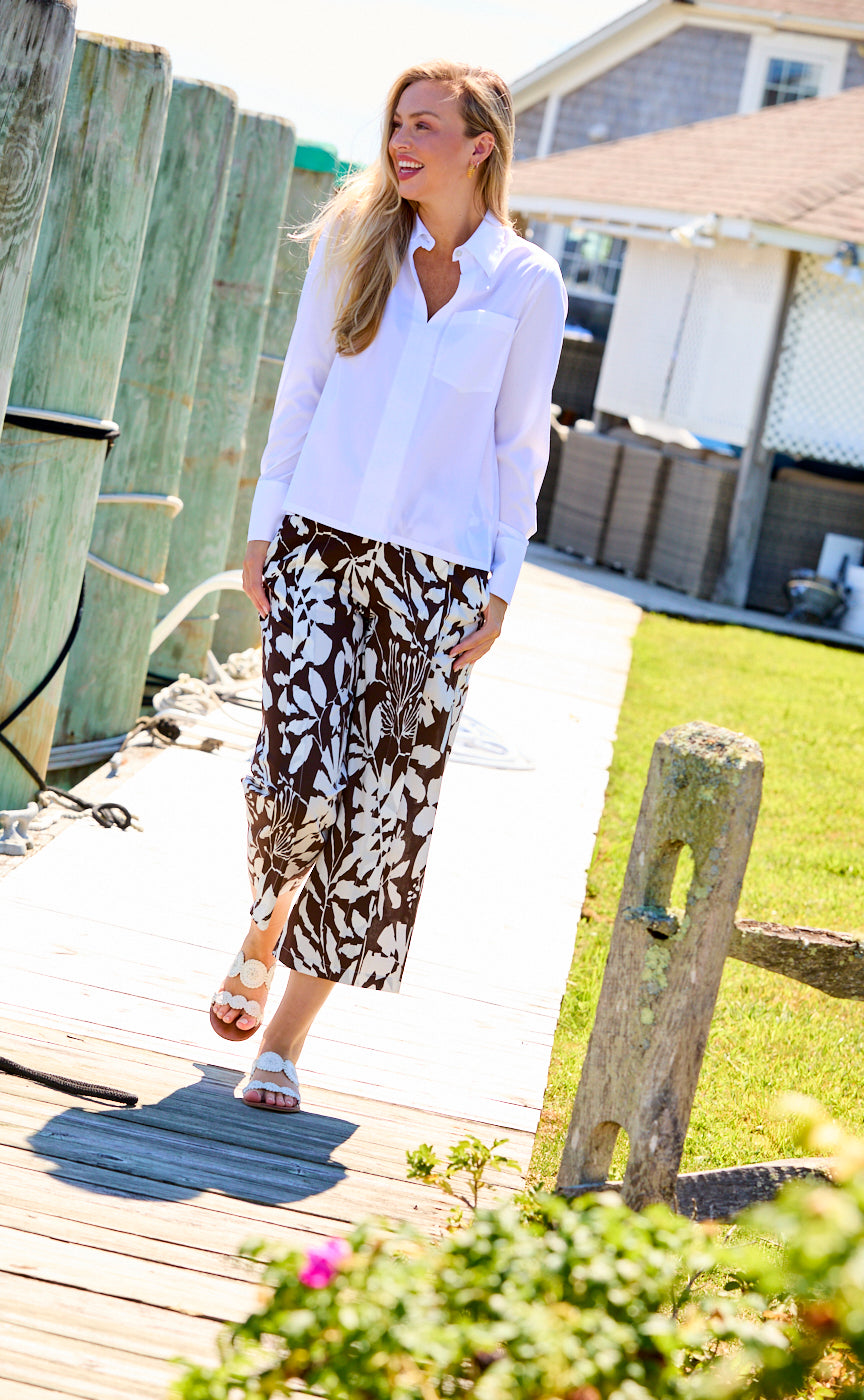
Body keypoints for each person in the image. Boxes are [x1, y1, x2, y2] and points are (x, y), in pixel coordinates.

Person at [210, 58, 567, 1113]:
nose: (400, 142)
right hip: (319, 548)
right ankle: (267, 917)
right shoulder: (352, 243)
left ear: (479, 146)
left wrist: (502, 583)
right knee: (293, 776)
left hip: (440, 581)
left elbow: (518, 446)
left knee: (382, 817)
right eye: (395, 124)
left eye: (424, 126)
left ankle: (282, 1042)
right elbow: (301, 393)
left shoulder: (527, 282)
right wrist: (264, 529)